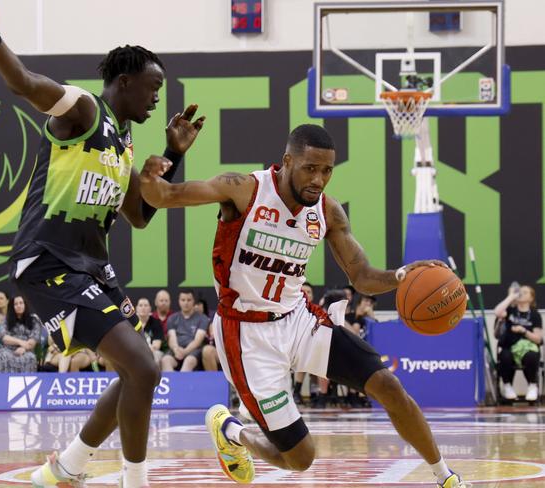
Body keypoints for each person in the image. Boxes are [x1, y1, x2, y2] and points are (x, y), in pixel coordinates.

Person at [140, 124, 467, 488]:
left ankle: (446, 477)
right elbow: (164, 196)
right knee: (300, 458)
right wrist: (163, 162)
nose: (319, 179)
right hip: (247, 337)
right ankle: (232, 431)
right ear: (287, 161)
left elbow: (360, 275)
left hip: (298, 319)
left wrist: (402, 276)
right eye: (310, 168)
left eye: (327, 170)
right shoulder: (244, 189)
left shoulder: (327, 212)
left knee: (389, 386)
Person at [0, 1, 204, 486]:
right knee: (142, 367)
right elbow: (25, 84)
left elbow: (139, 217)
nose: (158, 99)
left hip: (90, 268)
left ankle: (66, 467)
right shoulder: (85, 110)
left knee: (140, 371)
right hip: (48, 260)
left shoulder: (125, 143)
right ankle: (135, 480)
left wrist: (174, 154)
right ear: (125, 81)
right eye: (153, 87)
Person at [494, 285, 542, 402]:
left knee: (531, 355)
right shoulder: (510, 310)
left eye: (525, 292)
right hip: (510, 345)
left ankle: (532, 385)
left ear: (531, 298)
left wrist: (524, 331)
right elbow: (498, 312)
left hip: (527, 347)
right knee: (505, 356)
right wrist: (511, 296)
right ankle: (507, 386)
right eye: (520, 291)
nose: (521, 293)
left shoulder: (535, 315)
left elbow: (538, 339)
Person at [161, 290, 209, 372]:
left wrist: (185, 351)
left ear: (193, 301)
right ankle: (172, 384)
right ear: (179, 301)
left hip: (194, 351)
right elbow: (172, 338)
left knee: (189, 361)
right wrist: (176, 349)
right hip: (176, 349)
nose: (186, 303)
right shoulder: (172, 318)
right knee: (165, 360)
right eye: (183, 300)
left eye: (189, 300)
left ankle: (181, 384)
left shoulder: (202, 318)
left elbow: (198, 340)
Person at [0, 295, 42, 373]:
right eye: (16, 304)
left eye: (21, 303)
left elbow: (33, 340)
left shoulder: (34, 321)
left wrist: (24, 348)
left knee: (30, 357)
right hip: (6, 349)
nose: (19, 306)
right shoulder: (5, 320)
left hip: (27, 350)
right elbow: (4, 338)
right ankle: (5, 383)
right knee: (3, 356)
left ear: (25, 305)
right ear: (12, 307)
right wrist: (21, 342)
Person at [136, 297, 166, 366]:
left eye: (146, 305)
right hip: (135, 351)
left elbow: (157, 345)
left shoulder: (156, 323)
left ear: (150, 308)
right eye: (140, 305)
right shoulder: (131, 323)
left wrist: (144, 352)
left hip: (152, 351)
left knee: (156, 356)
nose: (143, 308)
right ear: (136, 308)